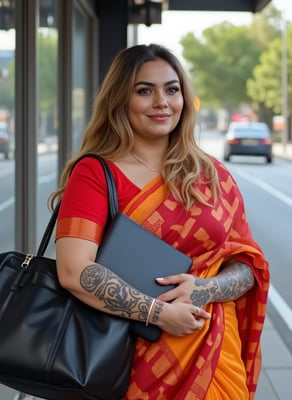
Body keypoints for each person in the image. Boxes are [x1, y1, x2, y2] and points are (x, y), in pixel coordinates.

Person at [50, 43, 270, 399]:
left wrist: (205, 289)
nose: (161, 102)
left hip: (213, 355)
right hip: (125, 359)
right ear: (120, 99)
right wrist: (159, 315)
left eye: (171, 89)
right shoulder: (95, 174)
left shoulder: (212, 175)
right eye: (144, 91)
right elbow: (74, 271)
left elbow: (248, 266)